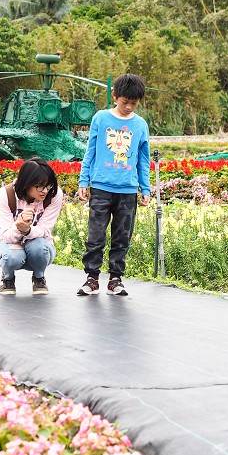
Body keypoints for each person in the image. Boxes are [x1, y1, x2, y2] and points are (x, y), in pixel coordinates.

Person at [76, 73, 151, 296]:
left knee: (122, 237)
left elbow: (143, 159)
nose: (128, 107)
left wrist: (145, 188)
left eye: (133, 103)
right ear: (114, 96)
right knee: (95, 235)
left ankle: (116, 279)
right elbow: (91, 150)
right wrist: (84, 180)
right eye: (124, 101)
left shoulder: (140, 125)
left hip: (127, 190)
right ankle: (92, 278)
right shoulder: (100, 118)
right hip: (100, 187)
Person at [0, 158, 62, 295]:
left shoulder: (54, 195)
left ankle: (39, 277)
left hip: (38, 244)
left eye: (48, 186)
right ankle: (8, 278)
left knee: (40, 248)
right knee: (13, 256)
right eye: (40, 187)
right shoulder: (6, 195)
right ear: (26, 183)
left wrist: (27, 230)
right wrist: (18, 227)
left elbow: (45, 230)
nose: (45, 191)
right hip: (8, 243)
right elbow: (6, 234)